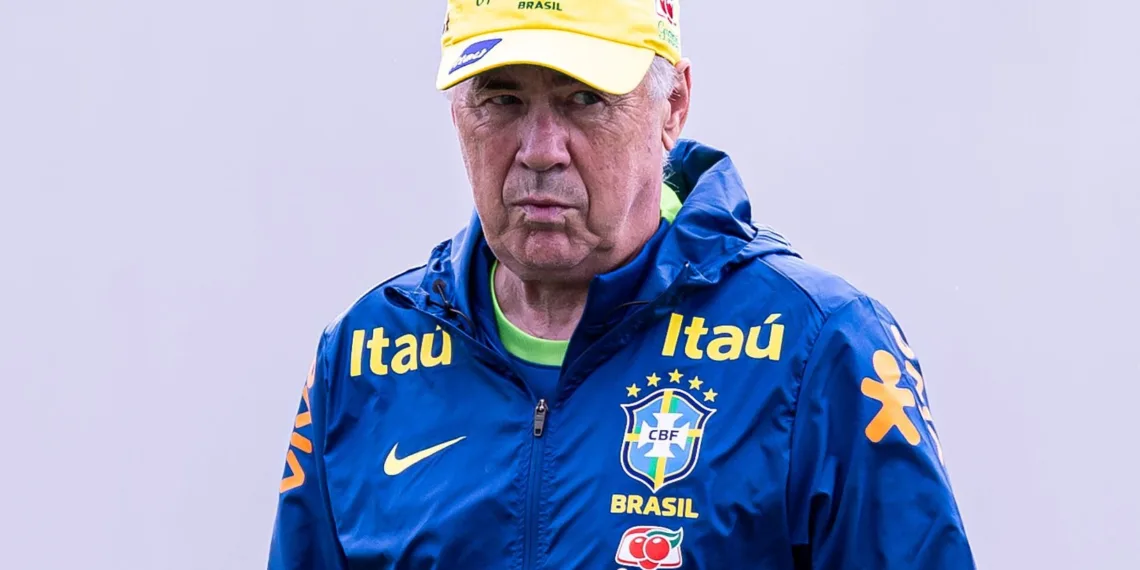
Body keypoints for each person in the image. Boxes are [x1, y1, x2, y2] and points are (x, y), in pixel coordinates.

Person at [267, 0, 976, 568]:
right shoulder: (362, 361)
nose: (540, 150)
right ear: (458, 110)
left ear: (673, 106)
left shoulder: (818, 350)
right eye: (502, 99)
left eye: (584, 98)